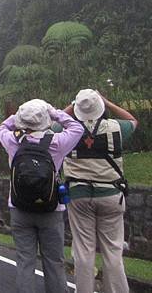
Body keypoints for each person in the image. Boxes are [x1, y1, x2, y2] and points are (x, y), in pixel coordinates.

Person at [0, 99, 83, 293]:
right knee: (54, 262)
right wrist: (54, 112)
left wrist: (18, 115)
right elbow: (76, 127)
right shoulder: (58, 142)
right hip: (51, 209)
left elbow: (1, 127)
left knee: (25, 261)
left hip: (19, 208)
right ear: (46, 120)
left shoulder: (12, 140)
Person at [63, 89, 136, 293]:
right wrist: (107, 102)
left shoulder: (70, 129)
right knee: (113, 251)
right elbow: (133, 121)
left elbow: (52, 121)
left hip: (79, 194)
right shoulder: (115, 128)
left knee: (83, 251)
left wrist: (75, 103)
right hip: (111, 194)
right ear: (100, 107)